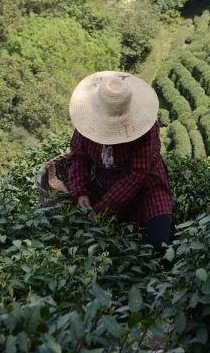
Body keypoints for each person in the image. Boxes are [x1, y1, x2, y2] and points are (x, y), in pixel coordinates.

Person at [66, 72, 174, 250]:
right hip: (103, 186)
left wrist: (101, 211)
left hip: (146, 187)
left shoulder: (146, 129)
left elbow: (136, 176)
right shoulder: (87, 124)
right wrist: (81, 192)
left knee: (160, 245)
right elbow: (78, 157)